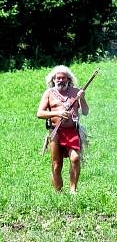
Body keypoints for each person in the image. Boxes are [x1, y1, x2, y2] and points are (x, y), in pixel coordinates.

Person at [36, 65, 90, 194]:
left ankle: (73, 191)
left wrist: (81, 98)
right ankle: (58, 193)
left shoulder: (76, 92)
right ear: (53, 80)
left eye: (63, 78)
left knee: (75, 159)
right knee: (56, 165)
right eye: (58, 78)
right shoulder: (49, 93)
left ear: (68, 79)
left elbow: (86, 112)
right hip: (56, 132)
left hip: (72, 131)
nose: (61, 80)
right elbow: (40, 113)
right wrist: (58, 113)